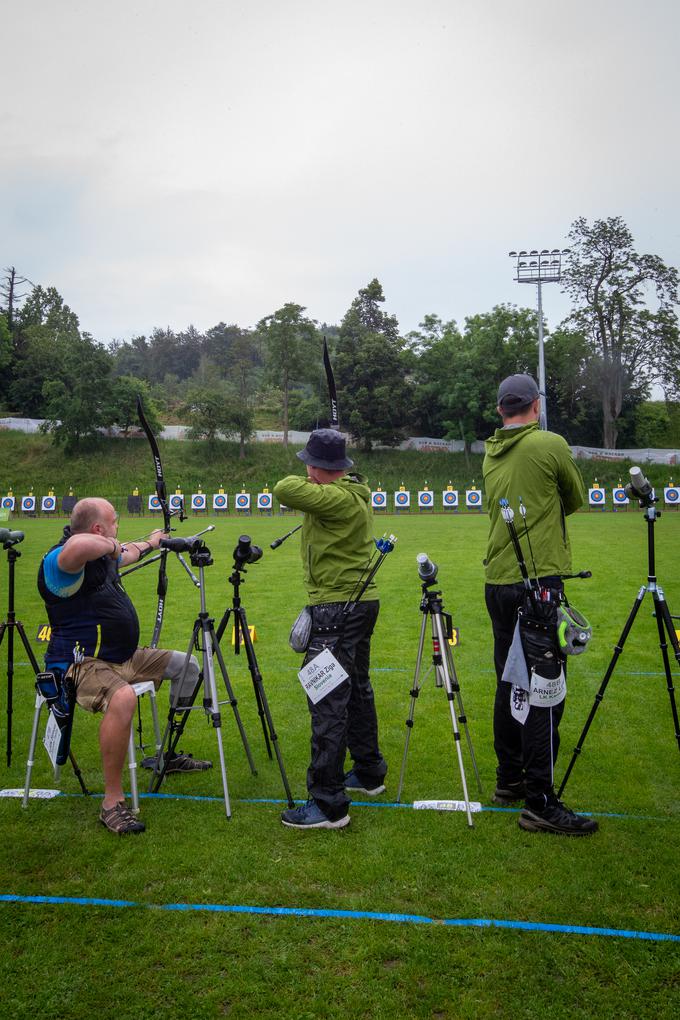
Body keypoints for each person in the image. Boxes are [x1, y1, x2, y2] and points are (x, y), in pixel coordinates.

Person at [37, 498, 210, 835]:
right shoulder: (61, 562)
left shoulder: (104, 555)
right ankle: (112, 802)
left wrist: (152, 542)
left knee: (188, 666)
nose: (119, 526)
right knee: (124, 699)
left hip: (125, 657)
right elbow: (81, 543)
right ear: (99, 528)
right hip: (82, 663)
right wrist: (115, 546)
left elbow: (129, 552)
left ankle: (166, 755)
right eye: (114, 521)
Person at [483, 374, 598, 836]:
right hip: (535, 584)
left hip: (497, 581)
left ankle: (510, 777)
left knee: (510, 680)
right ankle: (540, 800)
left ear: (499, 411)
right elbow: (575, 498)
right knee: (544, 689)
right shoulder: (549, 443)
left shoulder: (491, 454)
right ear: (536, 404)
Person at [273, 429, 387, 830]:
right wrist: (325, 472)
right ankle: (369, 771)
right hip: (359, 602)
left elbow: (283, 488)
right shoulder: (353, 492)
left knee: (327, 698)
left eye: (309, 462)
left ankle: (327, 804)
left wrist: (314, 477)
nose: (304, 467)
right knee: (356, 686)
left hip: (337, 608)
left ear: (319, 468)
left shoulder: (334, 496)